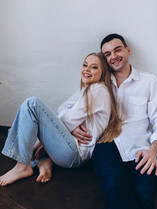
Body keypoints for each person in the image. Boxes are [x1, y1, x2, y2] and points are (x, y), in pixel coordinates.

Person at [72, 34, 157, 209]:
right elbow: (67, 107)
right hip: (106, 144)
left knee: (145, 199)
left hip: (142, 149)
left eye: (117, 50)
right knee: (116, 193)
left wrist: (154, 150)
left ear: (128, 50)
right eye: (107, 54)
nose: (114, 56)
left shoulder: (150, 81)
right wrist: (73, 127)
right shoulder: (98, 81)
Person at [0, 52, 121, 186]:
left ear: (103, 72)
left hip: (74, 153)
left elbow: (68, 117)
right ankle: (45, 161)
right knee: (23, 127)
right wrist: (72, 128)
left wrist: (40, 142)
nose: (87, 69)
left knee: (32, 105)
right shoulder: (85, 90)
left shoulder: (98, 90)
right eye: (85, 65)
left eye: (94, 67)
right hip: (68, 147)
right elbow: (62, 109)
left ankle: (23, 166)